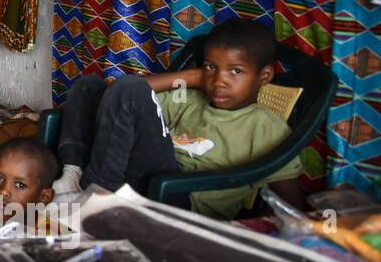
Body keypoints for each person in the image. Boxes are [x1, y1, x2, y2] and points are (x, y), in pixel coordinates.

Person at [54, 19, 302, 218]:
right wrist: (194, 77)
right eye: (211, 67)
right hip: (142, 174)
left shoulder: (265, 126)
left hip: (180, 198)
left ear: (264, 75)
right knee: (90, 87)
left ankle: (97, 193)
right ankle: (72, 176)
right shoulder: (191, 98)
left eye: (235, 71)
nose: (220, 81)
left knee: (129, 90)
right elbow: (121, 95)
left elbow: (290, 202)